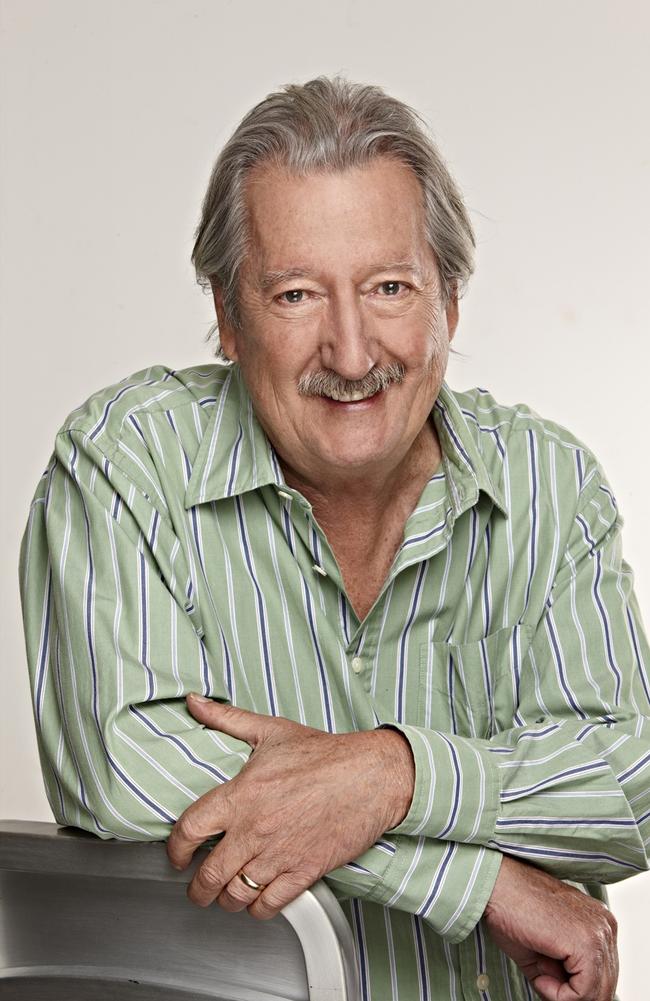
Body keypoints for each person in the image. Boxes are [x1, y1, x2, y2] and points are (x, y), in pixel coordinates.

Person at [19, 76, 649, 1001]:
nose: (352, 354)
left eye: (390, 287)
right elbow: (126, 769)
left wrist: (392, 775)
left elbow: (630, 782)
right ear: (228, 319)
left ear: (451, 305)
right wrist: (476, 883)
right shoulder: (125, 462)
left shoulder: (548, 484)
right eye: (297, 294)